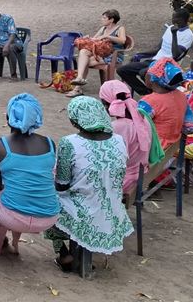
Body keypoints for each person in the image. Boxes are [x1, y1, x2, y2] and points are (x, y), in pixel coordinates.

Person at [45, 96, 132, 273]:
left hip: (85, 212)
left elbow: (62, 184)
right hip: (113, 210)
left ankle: (63, 253)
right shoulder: (119, 140)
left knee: (47, 199)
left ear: (75, 119)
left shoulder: (69, 143)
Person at [0, 93, 59, 256]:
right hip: (48, 216)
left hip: (13, 216)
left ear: (8, 117)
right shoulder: (50, 144)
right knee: (19, 192)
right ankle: (15, 241)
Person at [100, 80, 162, 194]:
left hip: (125, 181)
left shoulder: (118, 127)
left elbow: (110, 162)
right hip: (141, 174)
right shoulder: (142, 118)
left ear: (106, 103)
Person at [118, 10, 193, 95]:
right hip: (154, 61)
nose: (172, 20)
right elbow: (158, 48)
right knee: (122, 70)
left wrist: (174, 35)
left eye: (174, 18)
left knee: (144, 72)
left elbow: (176, 55)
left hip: (167, 64)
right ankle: (147, 93)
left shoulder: (188, 35)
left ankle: (154, 94)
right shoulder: (170, 28)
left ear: (181, 20)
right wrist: (140, 55)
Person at [137, 58, 193, 149]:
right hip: (173, 147)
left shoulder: (149, 102)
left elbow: (136, 128)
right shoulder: (182, 96)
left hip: (155, 150)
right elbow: (191, 127)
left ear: (152, 78)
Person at [69, 10, 127, 96]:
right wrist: (88, 39)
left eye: (104, 18)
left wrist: (108, 37)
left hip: (113, 56)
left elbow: (123, 40)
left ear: (111, 20)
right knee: (83, 52)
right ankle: (79, 78)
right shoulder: (103, 29)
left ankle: (77, 88)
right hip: (101, 54)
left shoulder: (120, 28)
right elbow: (94, 39)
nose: (102, 19)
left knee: (83, 62)